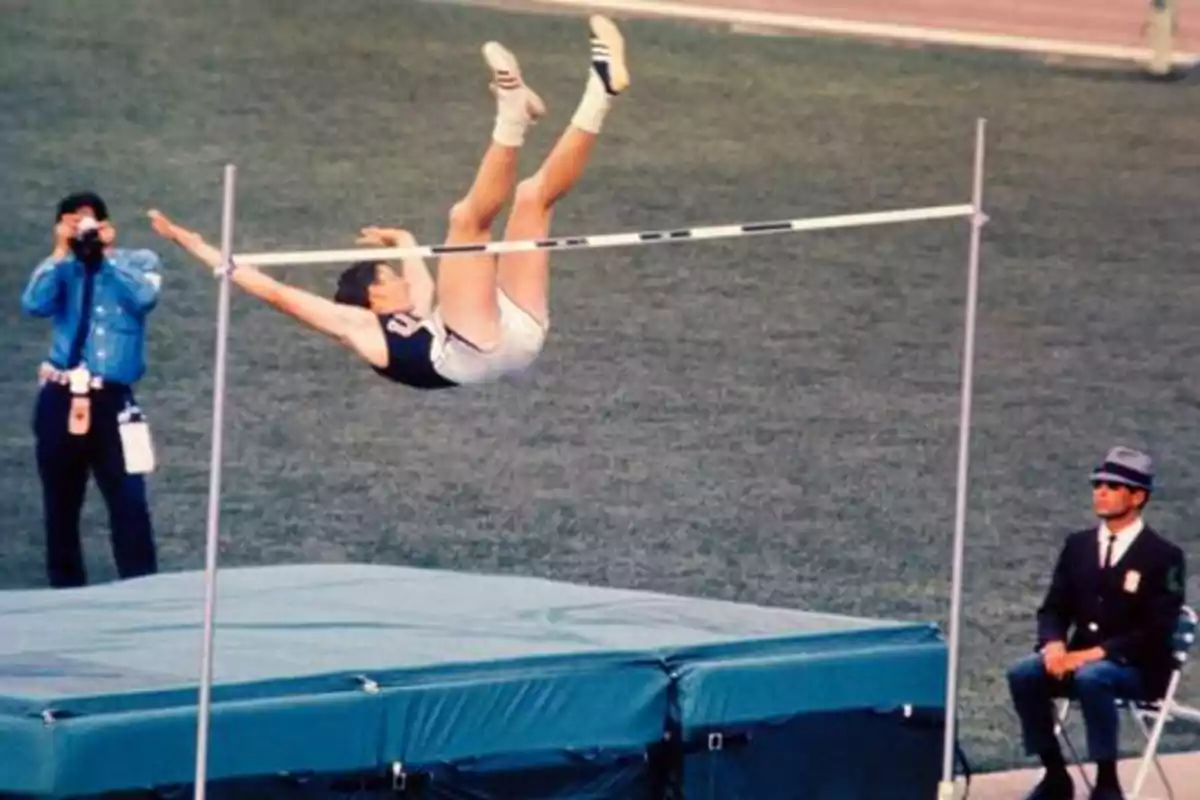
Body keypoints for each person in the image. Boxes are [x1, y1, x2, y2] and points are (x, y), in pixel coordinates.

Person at [148, 15, 630, 390]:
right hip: (475, 347)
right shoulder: (358, 326)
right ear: (373, 297)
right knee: (466, 222)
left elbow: (421, 272)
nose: (401, 279)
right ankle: (511, 115)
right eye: (390, 278)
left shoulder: (416, 313)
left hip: (513, 336)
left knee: (534, 198)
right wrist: (201, 248)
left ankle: (600, 90)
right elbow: (276, 293)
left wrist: (404, 241)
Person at [1007, 446, 1187, 800]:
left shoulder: (1163, 556)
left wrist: (1093, 654)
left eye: (1112, 486)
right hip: (1078, 660)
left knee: (1093, 677)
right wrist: (1054, 643)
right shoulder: (1078, 546)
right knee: (1023, 673)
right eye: (1098, 484)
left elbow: (1157, 630)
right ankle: (1055, 775)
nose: (1100, 492)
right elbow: (1054, 607)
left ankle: (1107, 783)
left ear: (1137, 497)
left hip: (1135, 667)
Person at [20, 191, 163, 588]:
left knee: (130, 502)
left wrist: (107, 255)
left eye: (89, 222)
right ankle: (65, 592)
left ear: (106, 224)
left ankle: (142, 590)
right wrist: (60, 252)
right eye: (73, 222)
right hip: (61, 398)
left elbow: (145, 298)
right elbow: (33, 304)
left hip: (113, 400)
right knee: (61, 505)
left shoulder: (137, 262)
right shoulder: (62, 268)